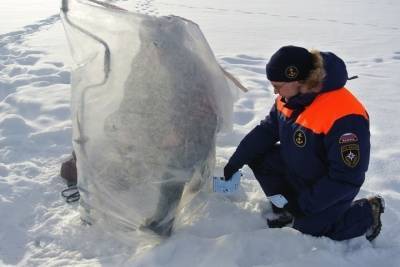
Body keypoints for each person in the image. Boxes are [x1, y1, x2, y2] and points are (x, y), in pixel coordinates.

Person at [223, 45, 385, 241]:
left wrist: (304, 205)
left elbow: (346, 177)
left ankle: (369, 212)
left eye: (278, 85)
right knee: (261, 157)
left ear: (299, 80)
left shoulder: (344, 116)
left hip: (330, 186)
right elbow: (266, 131)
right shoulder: (288, 98)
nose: (275, 92)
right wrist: (236, 161)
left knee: (309, 229)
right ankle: (285, 209)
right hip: (301, 168)